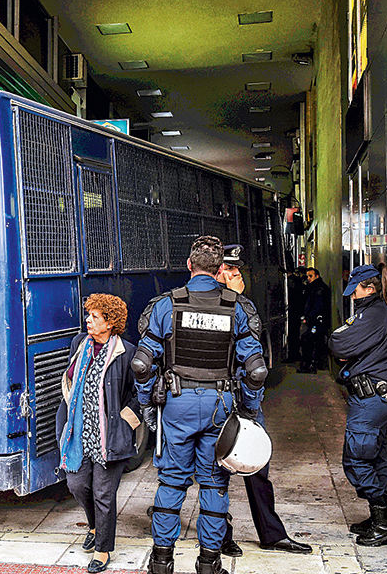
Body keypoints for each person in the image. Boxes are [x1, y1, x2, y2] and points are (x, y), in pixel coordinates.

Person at [133, 236, 268, 574]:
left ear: (190, 266)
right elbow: (256, 370)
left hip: (177, 404)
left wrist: (147, 402)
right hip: (218, 406)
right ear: (219, 269)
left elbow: (141, 364)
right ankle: (209, 563)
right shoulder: (237, 307)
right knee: (213, 484)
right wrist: (249, 411)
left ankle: (161, 562)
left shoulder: (166, 305)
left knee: (172, 483)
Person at [215, 245, 312, 557]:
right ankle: (221, 535)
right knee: (216, 472)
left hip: (245, 397)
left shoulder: (240, 302)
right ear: (217, 272)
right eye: (231, 270)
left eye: (237, 269)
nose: (237, 274)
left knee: (258, 467)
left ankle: (271, 533)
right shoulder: (213, 303)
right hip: (220, 398)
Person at [328, 263, 387, 547]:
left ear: (371, 288)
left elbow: (338, 343)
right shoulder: (386, 312)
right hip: (383, 398)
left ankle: (384, 521)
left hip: (370, 400)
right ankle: (377, 518)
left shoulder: (373, 313)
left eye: (357, 290)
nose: (353, 296)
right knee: (377, 459)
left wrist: (348, 351)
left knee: (356, 459)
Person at [58, 294, 140, 574]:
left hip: (110, 437)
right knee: (77, 485)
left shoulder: (127, 352)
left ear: (110, 322)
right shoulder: (79, 345)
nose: (88, 320)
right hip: (80, 433)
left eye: (94, 316)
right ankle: (93, 526)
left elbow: (139, 393)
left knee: (105, 494)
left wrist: (125, 422)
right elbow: (69, 380)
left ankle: (103, 549)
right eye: (88, 315)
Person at [299, 267, 330, 373]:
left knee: (310, 341)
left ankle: (310, 365)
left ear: (317, 276)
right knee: (312, 341)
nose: (308, 278)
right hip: (317, 320)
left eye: (310, 276)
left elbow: (317, 306)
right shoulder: (315, 287)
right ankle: (312, 364)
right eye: (307, 276)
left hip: (316, 320)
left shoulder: (318, 289)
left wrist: (308, 318)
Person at [283, 267, 306, 363]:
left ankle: (292, 354)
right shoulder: (298, 281)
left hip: (292, 311)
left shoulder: (289, 282)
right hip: (296, 311)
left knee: (292, 334)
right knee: (295, 333)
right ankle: (295, 353)